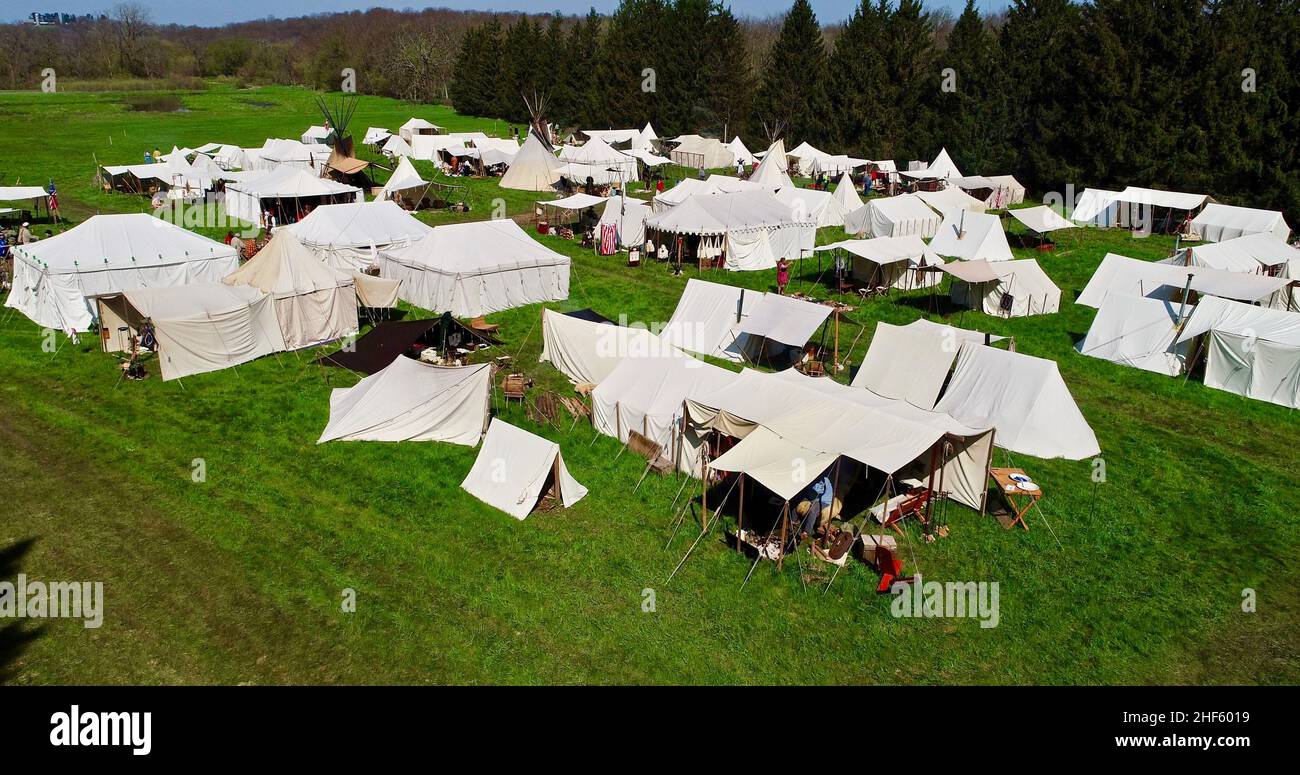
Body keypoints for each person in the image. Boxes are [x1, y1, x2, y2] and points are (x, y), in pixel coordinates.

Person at [797, 473, 835, 538]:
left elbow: (820, 491)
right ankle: (793, 522)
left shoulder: (823, 479)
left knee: (813, 510)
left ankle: (806, 532)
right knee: (796, 499)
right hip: (812, 496)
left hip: (823, 499)